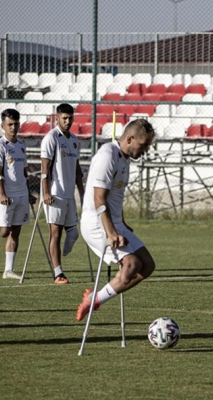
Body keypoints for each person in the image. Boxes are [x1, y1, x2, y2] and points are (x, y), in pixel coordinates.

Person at [76, 119, 157, 321]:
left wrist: (121, 222)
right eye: (143, 145)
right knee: (131, 265)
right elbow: (99, 198)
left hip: (113, 221)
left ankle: (95, 298)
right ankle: (94, 301)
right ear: (129, 139)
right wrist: (111, 232)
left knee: (147, 265)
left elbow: (114, 197)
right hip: (96, 223)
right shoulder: (107, 155)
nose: (146, 151)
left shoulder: (123, 159)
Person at [40, 103, 84, 284]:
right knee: (55, 233)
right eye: (64, 118)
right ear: (56, 118)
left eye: (70, 118)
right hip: (55, 194)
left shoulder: (74, 139)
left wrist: (82, 192)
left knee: (73, 233)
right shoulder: (51, 138)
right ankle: (58, 273)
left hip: (69, 194)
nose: (67, 121)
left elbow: (77, 169)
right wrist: (45, 192)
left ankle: (61, 259)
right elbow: (45, 168)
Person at [0, 108, 38, 279]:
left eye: (16, 124)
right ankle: (7, 267)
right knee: (5, 232)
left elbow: (24, 171)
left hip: (22, 195)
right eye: (10, 124)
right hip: (7, 196)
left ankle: (8, 270)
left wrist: (29, 192)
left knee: (16, 231)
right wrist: (1, 194)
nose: (13, 127)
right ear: (3, 125)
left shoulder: (21, 145)